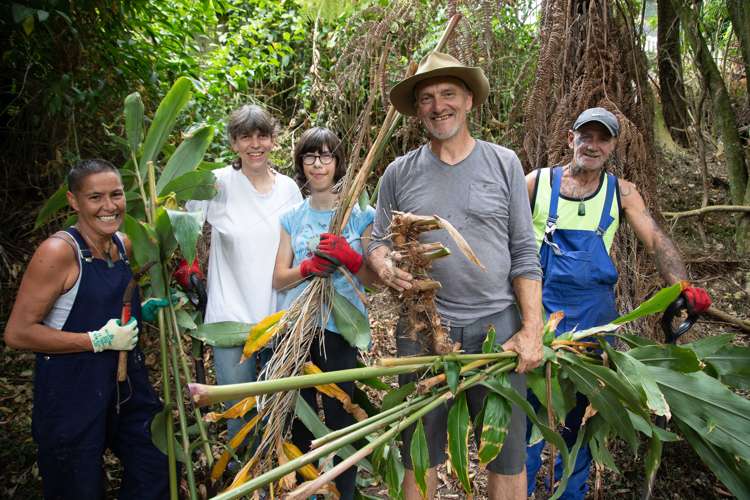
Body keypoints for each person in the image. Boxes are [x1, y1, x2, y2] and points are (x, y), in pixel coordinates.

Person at [368, 51, 544, 500]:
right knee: (419, 454)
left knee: (505, 453)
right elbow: (376, 241)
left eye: (448, 93)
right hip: (423, 328)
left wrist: (532, 329)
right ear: (417, 109)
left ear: (468, 99)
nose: (437, 105)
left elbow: (524, 250)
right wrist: (384, 263)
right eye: (426, 98)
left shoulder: (503, 163)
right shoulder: (398, 172)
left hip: (496, 327)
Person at [524, 107, 712, 499]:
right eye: (585, 136)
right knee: (528, 417)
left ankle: (570, 493)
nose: (592, 145)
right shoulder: (536, 184)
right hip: (536, 320)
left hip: (594, 322)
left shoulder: (620, 192)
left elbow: (656, 239)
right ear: (569, 139)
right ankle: (518, 490)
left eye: (602, 138)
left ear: (612, 147)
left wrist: (683, 286)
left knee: (581, 420)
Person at [4, 159, 169, 499]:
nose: (109, 206)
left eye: (117, 195)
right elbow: (18, 333)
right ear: (73, 201)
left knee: (155, 465)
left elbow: (109, 302)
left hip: (125, 386)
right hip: (72, 389)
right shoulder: (59, 252)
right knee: (77, 485)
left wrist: (143, 313)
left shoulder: (122, 244)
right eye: (95, 197)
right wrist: (96, 340)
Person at [177, 104, 303, 441]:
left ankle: (277, 484)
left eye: (262, 135)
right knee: (239, 415)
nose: (255, 144)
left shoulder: (289, 189)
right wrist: (186, 266)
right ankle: (241, 485)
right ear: (234, 143)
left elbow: (300, 246)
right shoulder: (218, 183)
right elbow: (183, 227)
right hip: (230, 319)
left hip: (279, 318)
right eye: (245, 137)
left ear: (274, 140)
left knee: (278, 413)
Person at [272, 126, 378, 500]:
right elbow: (278, 279)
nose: (318, 164)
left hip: (339, 329)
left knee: (339, 417)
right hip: (297, 331)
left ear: (338, 163)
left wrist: (349, 258)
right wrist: (307, 268)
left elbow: (373, 277)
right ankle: (305, 489)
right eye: (310, 157)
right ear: (301, 163)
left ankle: (343, 492)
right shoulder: (292, 218)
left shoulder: (360, 216)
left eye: (326, 156)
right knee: (300, 417)